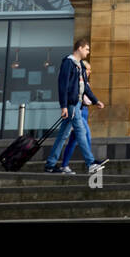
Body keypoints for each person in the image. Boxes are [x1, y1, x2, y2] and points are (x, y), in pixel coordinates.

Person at [44, 39, 106, 175]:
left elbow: (85, 89)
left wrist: (96, 101)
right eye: (87, 49)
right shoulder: (68, 63)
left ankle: (50, 164)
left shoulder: (81, 66)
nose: (88, 52)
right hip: (71, 104)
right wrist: (64, 106)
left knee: (63, 135)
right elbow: (63, 85)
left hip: (77, 104)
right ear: (79, 48)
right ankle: (91, 163)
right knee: (80, 131)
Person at [60, 59, 96, 167]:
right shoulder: (80, 84)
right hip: (79, 112)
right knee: (87, 135)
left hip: (83, 112)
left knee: (72, 141)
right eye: (88, 70)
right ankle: (90, 162)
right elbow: (85, 100)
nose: (89, 72)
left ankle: (64, 165)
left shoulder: (85, 83)